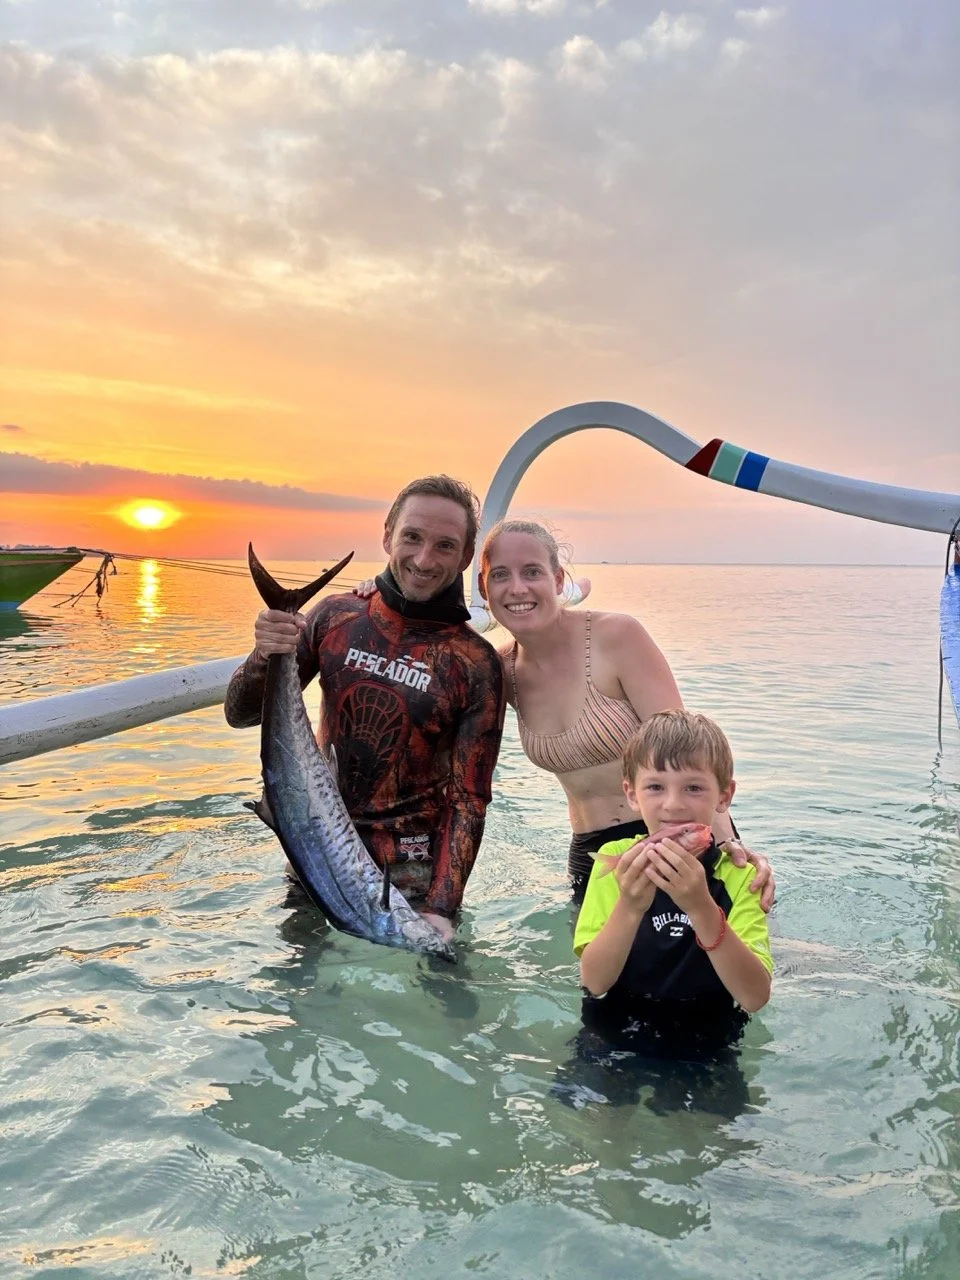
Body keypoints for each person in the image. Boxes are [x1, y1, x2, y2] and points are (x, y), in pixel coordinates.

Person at [224, 476, 506, 944]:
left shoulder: (475, 662)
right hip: (310, 856)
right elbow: (242, 714)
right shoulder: (335, 617)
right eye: (412, 537)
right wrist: (264, 653)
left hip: (411, 883)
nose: (423, 559)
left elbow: (468, 798)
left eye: (444, 546)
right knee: (304, 1003)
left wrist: (442, 908)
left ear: (464, 556)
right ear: (388, 535)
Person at [477, 519, 775, 906]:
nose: (517, 587)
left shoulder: (615, 637)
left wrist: (727, 843)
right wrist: (372, 598)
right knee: (594, 968)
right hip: (593, 859)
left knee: (727, 961)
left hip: (677, 842)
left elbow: (689, 752)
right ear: (486, 590)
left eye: (532, 571)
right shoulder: (501, 672)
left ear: (557, 578)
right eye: (501, 575)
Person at [574, 709, 772, 1061]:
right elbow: (595, 981)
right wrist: (630, 905)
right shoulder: (616, 860)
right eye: (654, 787)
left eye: (694, 788)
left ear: (724, 797)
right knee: (589, 1116)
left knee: (706, 1120)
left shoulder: (740, 877)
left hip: (708, 1035)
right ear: (631, 793)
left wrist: (700, 907)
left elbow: (754, 997)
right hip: (614, 1025)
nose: (673, 804)